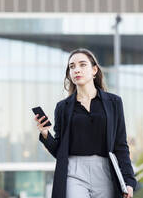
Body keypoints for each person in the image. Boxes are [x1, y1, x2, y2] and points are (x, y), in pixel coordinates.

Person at [35, 48, 136, 198]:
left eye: (82, 65)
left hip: (105, 171)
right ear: (69, 74)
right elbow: (60, 151)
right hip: (74, 172)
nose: (77, 70)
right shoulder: (63, 107)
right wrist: (45, 134)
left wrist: (129, 181)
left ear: (94, 70)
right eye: (72, 66)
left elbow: (120, 145)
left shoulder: (114, 102)